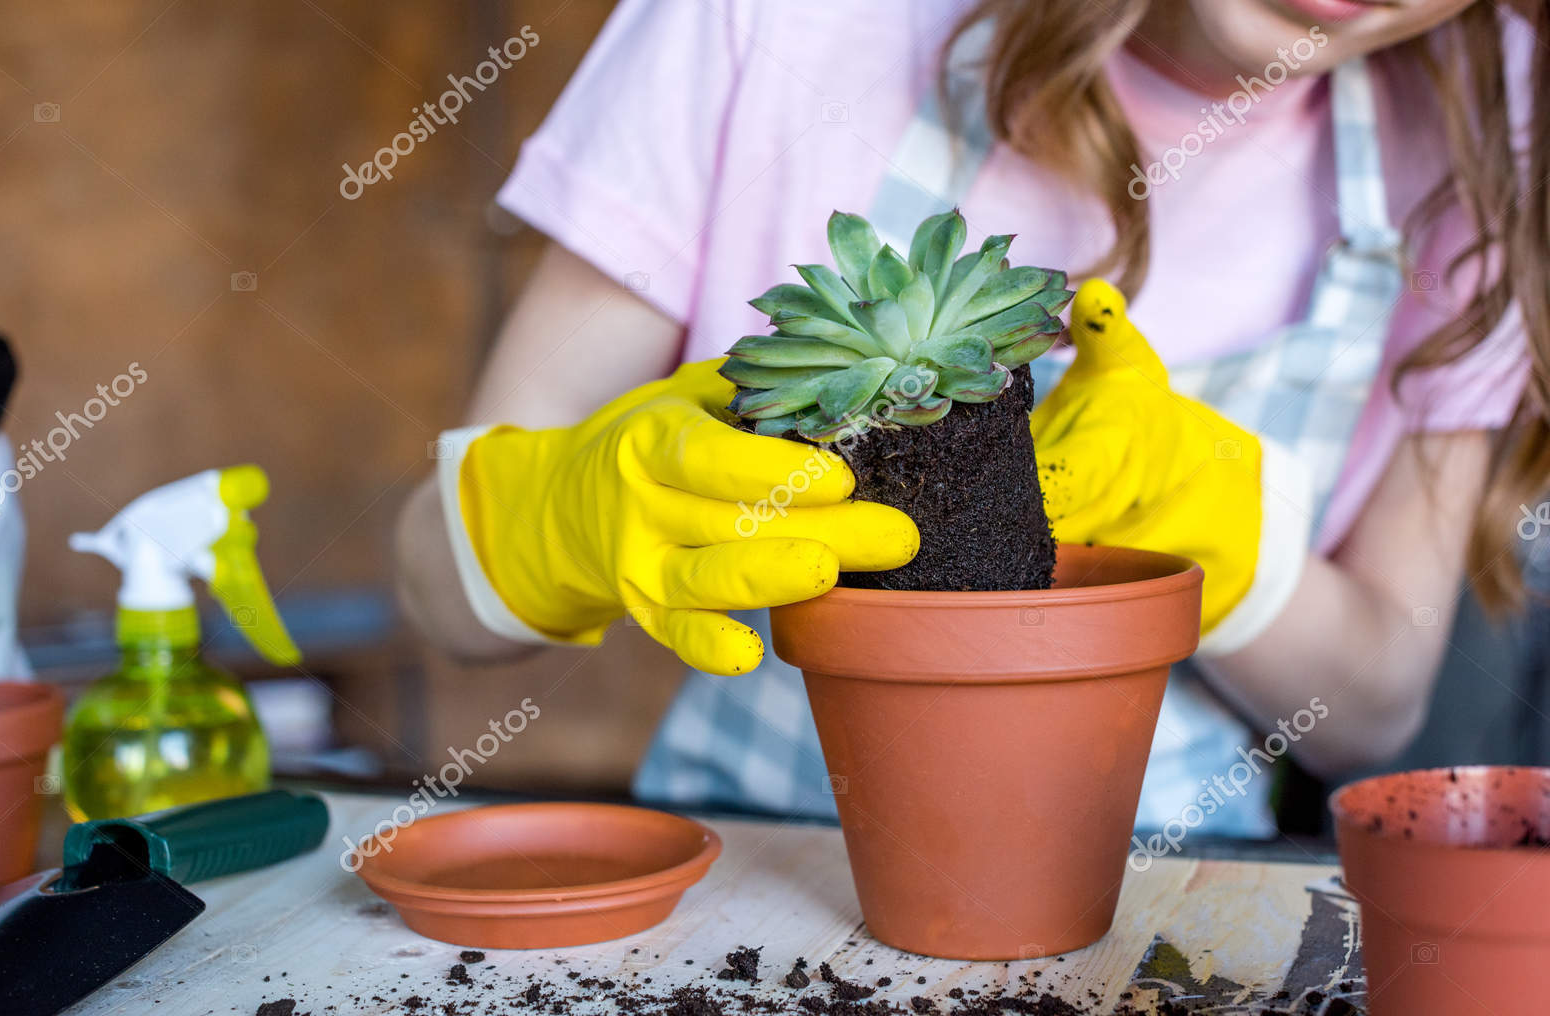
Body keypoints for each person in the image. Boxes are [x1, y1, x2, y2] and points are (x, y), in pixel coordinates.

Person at [397, 0, 1546, 839]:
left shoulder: (1483, 119)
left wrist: (1215, 536)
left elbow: (1377, 702)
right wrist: (552, 519)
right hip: (745, 861)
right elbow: (437, 590)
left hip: (1173, 897)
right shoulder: (771, 23)